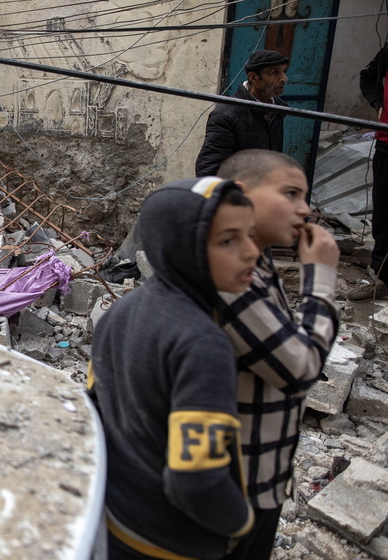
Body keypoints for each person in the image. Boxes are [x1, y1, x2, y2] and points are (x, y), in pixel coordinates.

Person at [90, 177, 257, 559]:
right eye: (229, 240)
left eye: (250, 234)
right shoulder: (203, 343)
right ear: (184, 247)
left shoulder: (121, 311)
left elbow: (95, 405)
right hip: (172, 541)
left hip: (119, 517)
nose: (252, 253)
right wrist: (242, 522)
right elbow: (195, 480)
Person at [216, 149, 340, 560]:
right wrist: (320, 279)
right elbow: (300, 369)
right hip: (236, 486)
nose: (305, 210)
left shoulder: (258, 262)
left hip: (262, 475)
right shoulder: (231, 277)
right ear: (240, 195)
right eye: (291, 193)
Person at [196, 50, 289, 177]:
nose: (284, 78)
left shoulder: (276, 111)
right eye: (274, 72)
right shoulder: (226, 115)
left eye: (284, 71)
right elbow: (209, 171)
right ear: (253, 77)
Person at [349, 43, 388, 299]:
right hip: (387, 145)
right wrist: (378, 103)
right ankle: (382, 279)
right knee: (384, 213)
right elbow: (367, 76)